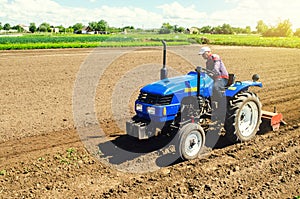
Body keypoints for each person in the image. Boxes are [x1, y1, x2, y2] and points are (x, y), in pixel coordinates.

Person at [198, 46, 229, 126]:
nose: (202, 56)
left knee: (215, 87)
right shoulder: (207, 62)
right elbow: (208, 71)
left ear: (208, 52)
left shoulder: (215, 57)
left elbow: (216, 68)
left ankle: (221, 106)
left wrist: (213, 72)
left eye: (203, 54)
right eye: (202, 55)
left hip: (221, 78)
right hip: (213, 78)